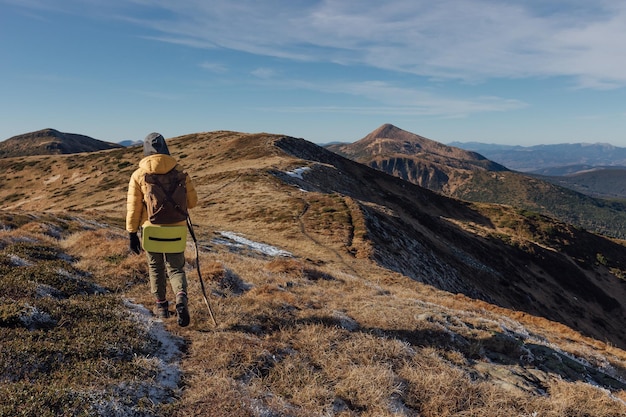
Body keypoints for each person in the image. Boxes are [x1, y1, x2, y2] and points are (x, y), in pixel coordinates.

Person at [126, 132, 198, 326]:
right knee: (175, 268)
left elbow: (134, 208)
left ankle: (161, 307)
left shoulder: (139, 174)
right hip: (176, 230)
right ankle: (181, 297)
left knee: (156, 268)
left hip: (151, 231)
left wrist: (132, 233)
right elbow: (192, 202)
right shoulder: (179, 170)